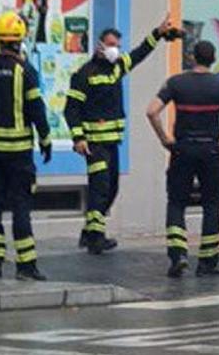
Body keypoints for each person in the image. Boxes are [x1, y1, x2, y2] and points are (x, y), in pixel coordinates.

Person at [145, 41, 219, 278]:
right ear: (213, 59)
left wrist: (165, 138)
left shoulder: (176, 82)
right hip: (211, 151)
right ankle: (207, 261)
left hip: (182, 150)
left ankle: (178, 255)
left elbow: (152, 110)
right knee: (212, 204)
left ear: (193, 57)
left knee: (176, 202)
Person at [65, 14, 173, 255]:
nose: (115, 50)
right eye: (111, 45)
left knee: (111, 188)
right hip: (94, 144)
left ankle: (89, 231)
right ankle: (96, 238)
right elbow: (70, 109)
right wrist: (78, 138)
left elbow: (139, 53)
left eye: (117, 46)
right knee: (100, 187)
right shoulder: (84, 74)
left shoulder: (117, 68)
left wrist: (157, 32)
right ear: (100, 46)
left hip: (112, 143)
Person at [0, 11, 53, 281]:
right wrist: (45, 139)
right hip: (18, 152)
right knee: (21, 206)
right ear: (19, 41)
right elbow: (36, 109)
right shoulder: (25, 71)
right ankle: (25, 266)